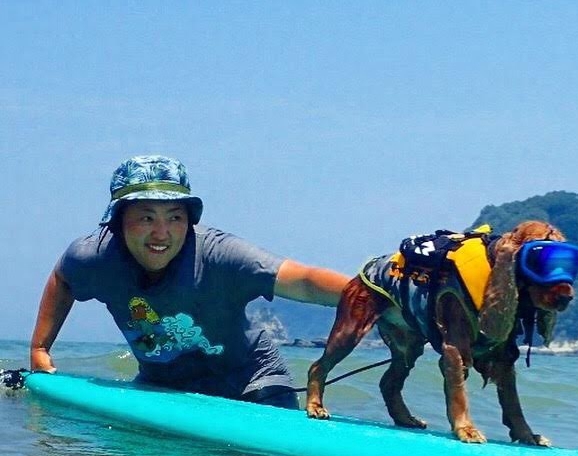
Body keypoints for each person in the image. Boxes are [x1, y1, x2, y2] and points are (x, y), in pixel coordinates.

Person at [30, 155, 350, 408]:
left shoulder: (219, 254)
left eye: (174, 217)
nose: (161, 233)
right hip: (163, 388)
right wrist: (40, 347)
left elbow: (304, 281)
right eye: (146, 217)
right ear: (118, 220)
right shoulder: (95, 256)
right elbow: (63, 279)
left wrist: (375, 295)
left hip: (253, 382)